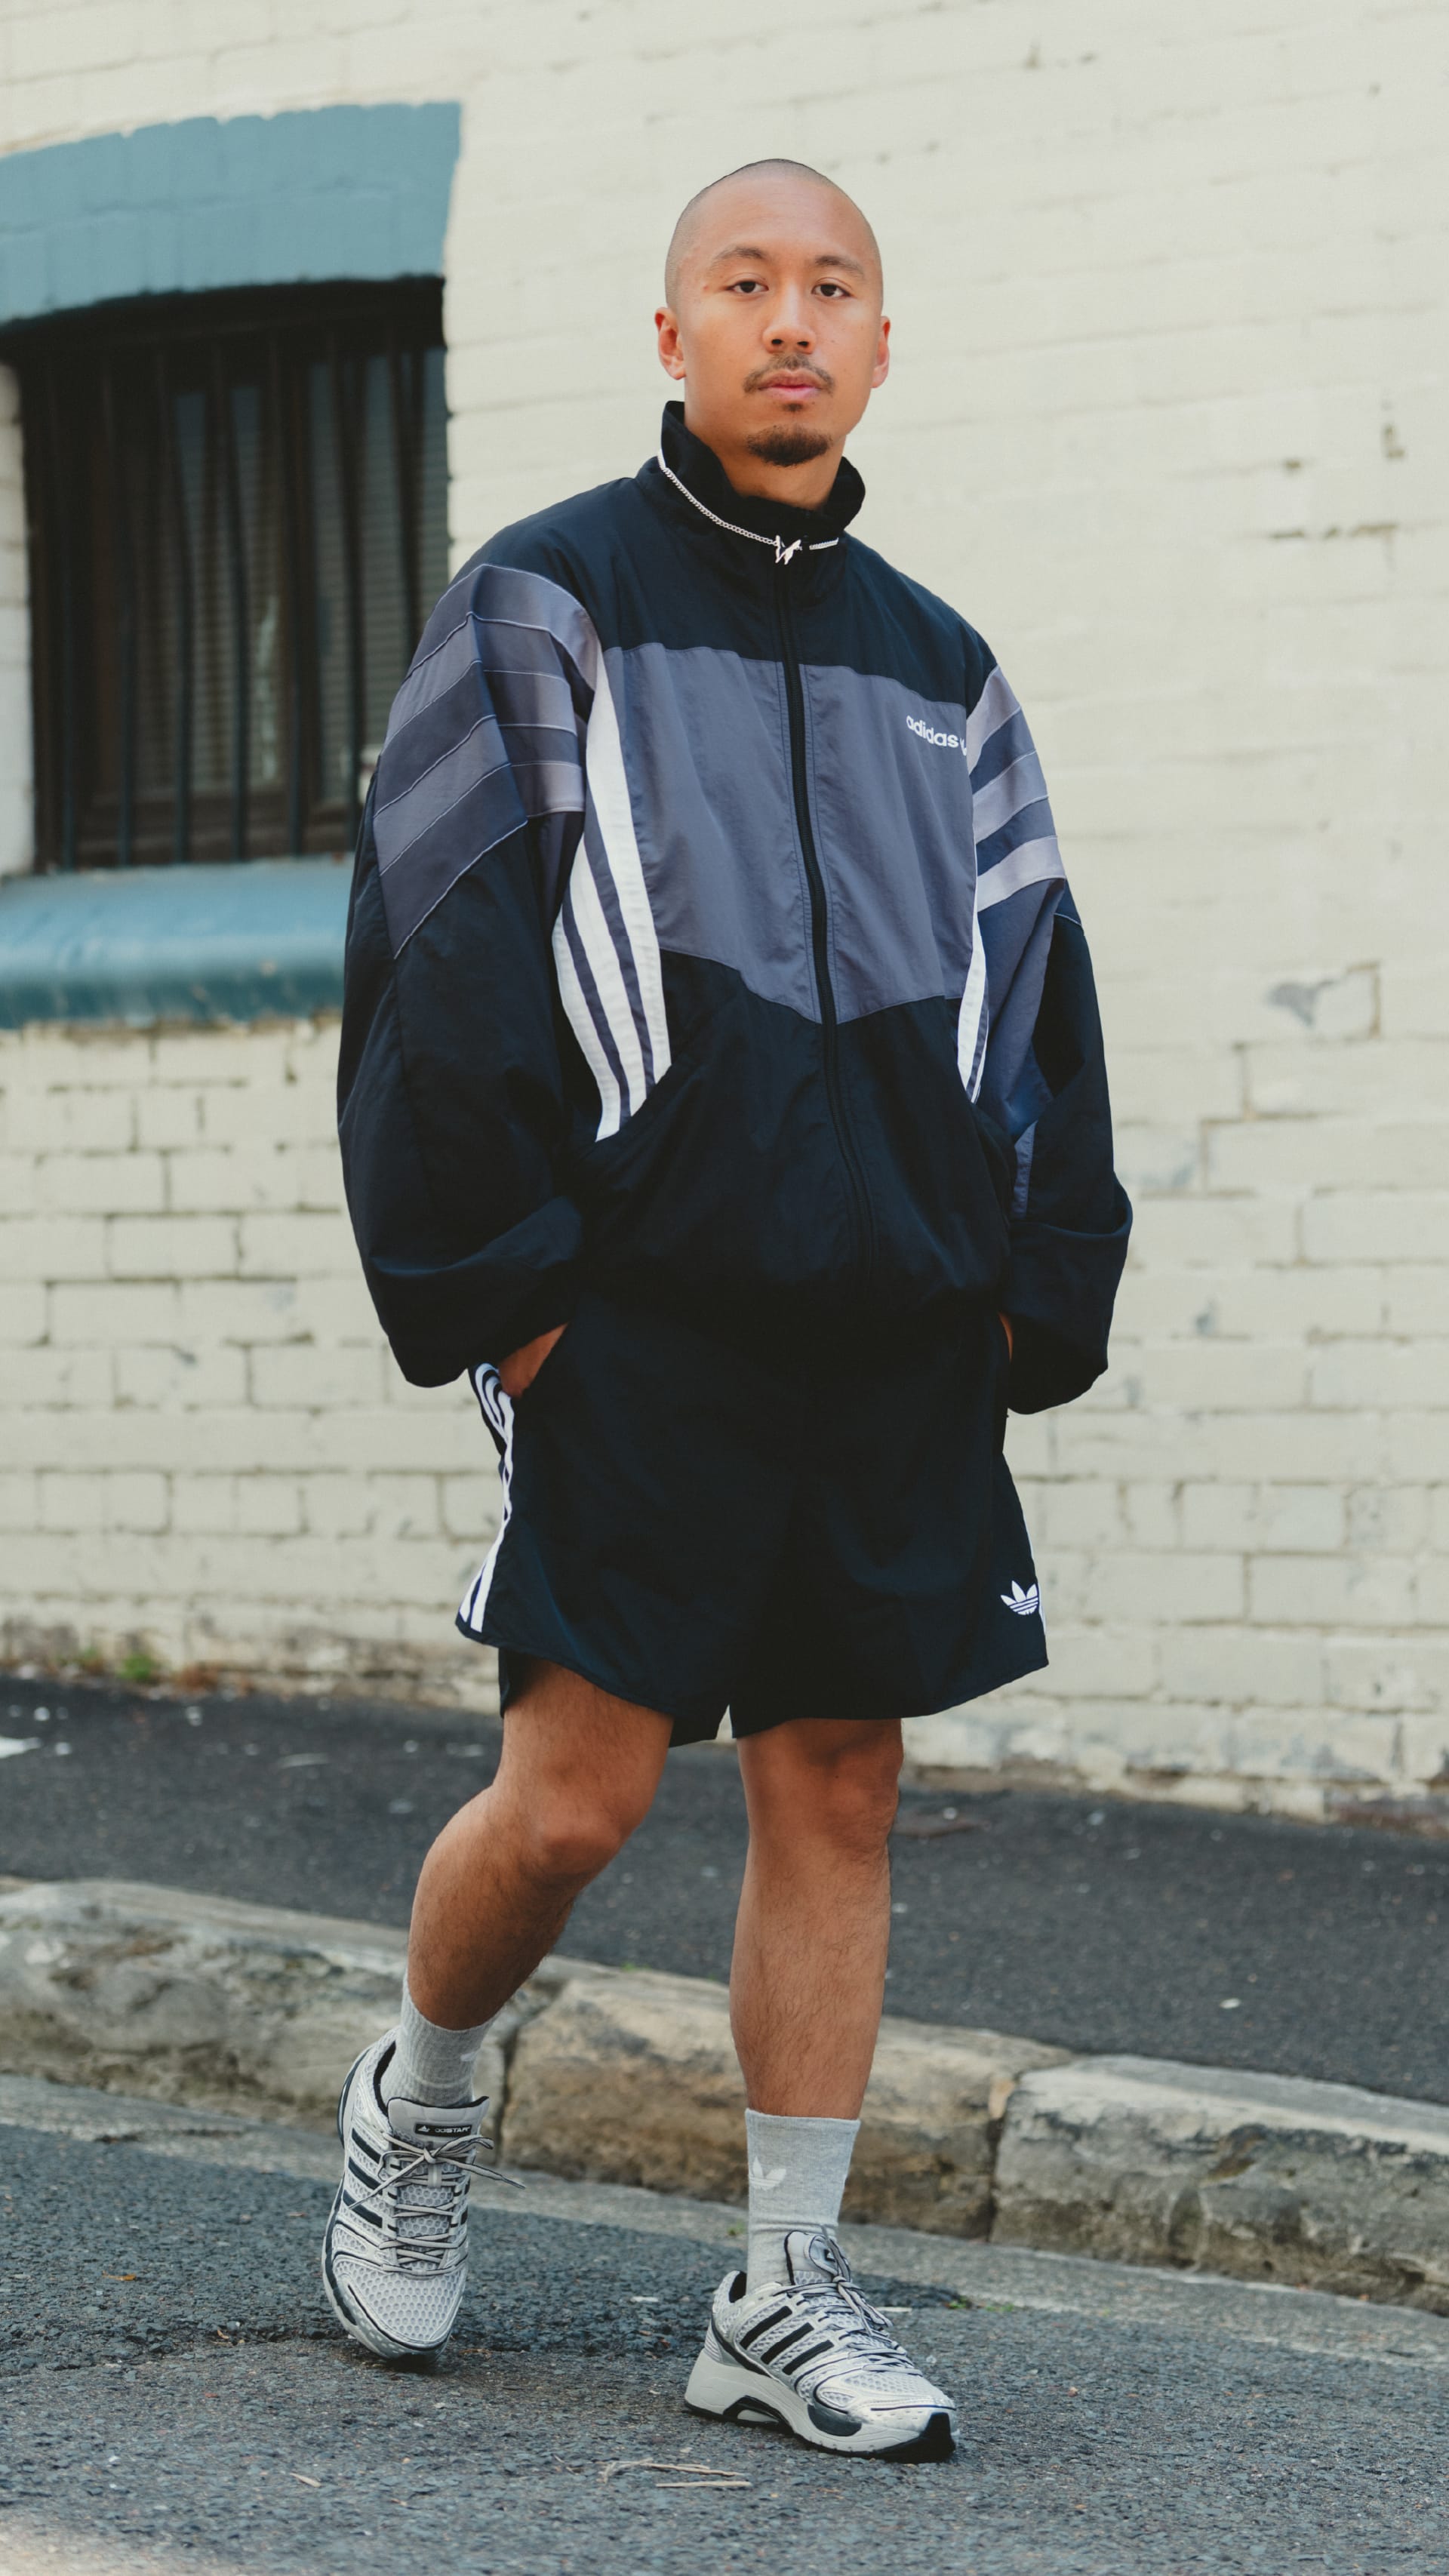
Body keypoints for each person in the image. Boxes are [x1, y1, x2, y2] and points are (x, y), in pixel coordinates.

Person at [330, 157, 1129, 2461]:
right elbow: (437, 958)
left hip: (896, 1323)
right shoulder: (546, 603)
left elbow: (1044, 998)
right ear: (670, 335)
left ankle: (781, 2294)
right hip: (637, 1310)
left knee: (840, 1782)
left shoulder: (941, 668)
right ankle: (434, 2081)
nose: (794, 321)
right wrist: (514, 1300)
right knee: (574, 1802)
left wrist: (1025, 1298)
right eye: (746, 285)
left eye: (835, 288)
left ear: (885, 344)